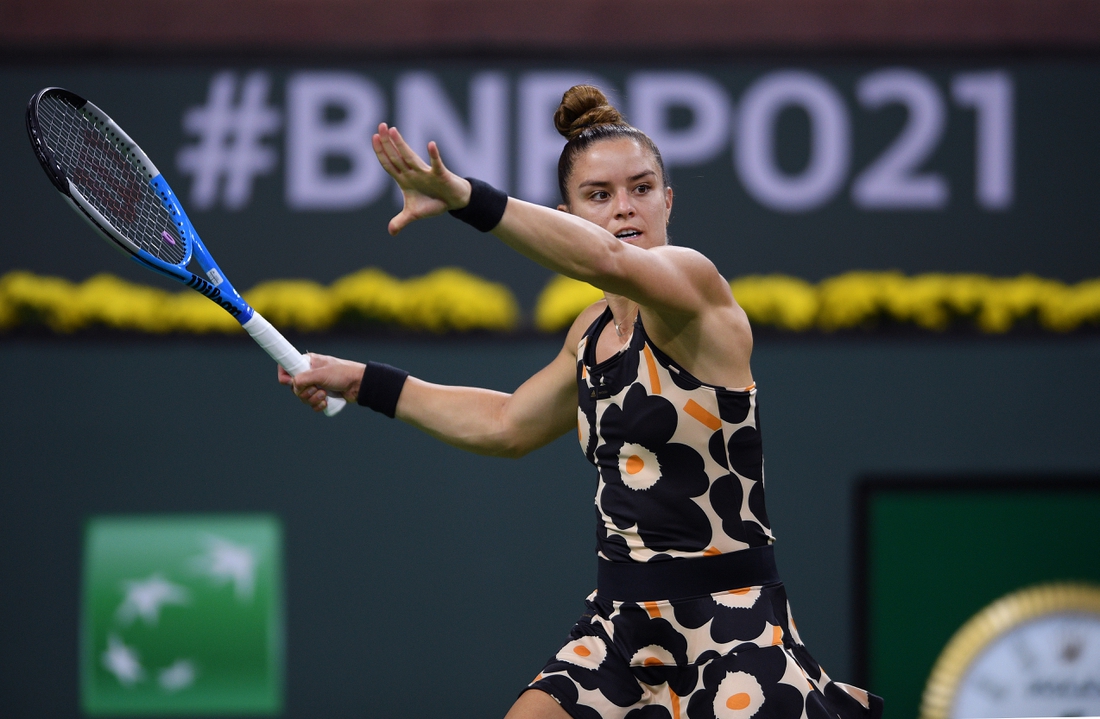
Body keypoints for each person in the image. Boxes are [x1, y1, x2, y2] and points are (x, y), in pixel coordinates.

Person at [279, 85, 882, 719]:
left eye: (642, 188)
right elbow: (508, 424)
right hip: (620, 632)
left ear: (668, 200)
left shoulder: (696, 289)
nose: (625, 209)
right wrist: (364, 382)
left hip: (731, 631)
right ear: (565, 213)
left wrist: (463, 197)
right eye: (598, 196)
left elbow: (608, 259)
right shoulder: (591, 335)